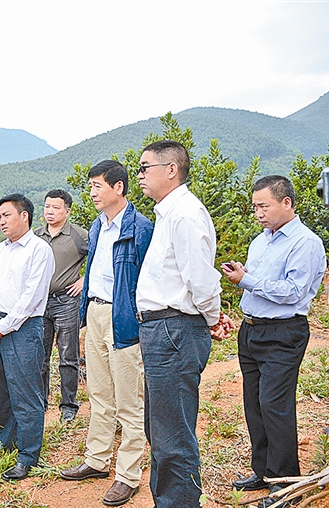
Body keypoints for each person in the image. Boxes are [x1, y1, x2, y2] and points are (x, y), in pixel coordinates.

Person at [134, 140, 234, 507]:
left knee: (172, 434)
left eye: (145, 167)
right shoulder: (169, 213)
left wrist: (212, 317)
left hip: (174, 330)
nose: (140, 175)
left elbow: (200, 279)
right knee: (160, 428)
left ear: (171, 170)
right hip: (163, 330)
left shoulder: (185, 215)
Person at [223, 175, 325, 508]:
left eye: (264, 206)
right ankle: (264, 472)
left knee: (274, 405)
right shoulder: (261, 241)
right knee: (254, 403)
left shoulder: (305, 243)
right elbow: (260, 282)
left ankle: (284, 484)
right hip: (252, 330)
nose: (258, 213)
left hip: (283, 333)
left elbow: (294, 292)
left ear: (286, 202)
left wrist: (247, 280)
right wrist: (245, 276)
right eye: (255, 207)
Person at [58, 161, 153, 506]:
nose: (92, 192)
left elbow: (147, 277)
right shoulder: (98, 226)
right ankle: (97, 460)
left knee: (129, 399)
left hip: (123, 316)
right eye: (91, 186)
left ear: (119, 188)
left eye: (98, 186)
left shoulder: (141, 227)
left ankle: (128, 476)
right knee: (99, 393)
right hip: (95, 312)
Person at [0, 193, 55, 481]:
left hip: (23, 328)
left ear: (25, 216)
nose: (1, 221)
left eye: (6, 215)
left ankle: (28, 455)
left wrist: (5, 326)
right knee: (3, 391)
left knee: (26, 393)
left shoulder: (39, 250)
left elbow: (32, 297)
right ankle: (4, 442)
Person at [34, 189, 88, 421]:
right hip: (39, 303)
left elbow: (101, 258)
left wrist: (84, 280)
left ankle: (69, 406)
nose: (50, 211)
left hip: (66, 301)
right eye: (47, 206)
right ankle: (40, 404)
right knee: (40, 356)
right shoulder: (36, 235)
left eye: (56, 207)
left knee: (68, 355)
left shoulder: (79, 235)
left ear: (67, 211)